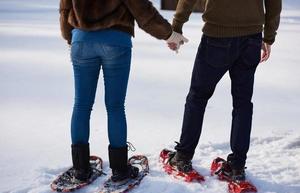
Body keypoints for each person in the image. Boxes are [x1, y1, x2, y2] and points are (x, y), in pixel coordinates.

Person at [59, 0, 187, 183]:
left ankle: (80, 169)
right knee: (115, 106)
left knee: (81, 104)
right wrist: (169, 34)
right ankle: (120, 170)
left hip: (82, 40)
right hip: (116, 41)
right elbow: (143, 11)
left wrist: (70, 37)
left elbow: (65, 9)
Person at [167, 0, 282, 181]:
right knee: (242, 103)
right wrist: (268, 36)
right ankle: (237, 167)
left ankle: (183, 157)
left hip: (217, 37)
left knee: (197, 97)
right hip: (251, 38)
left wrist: (177, 26)